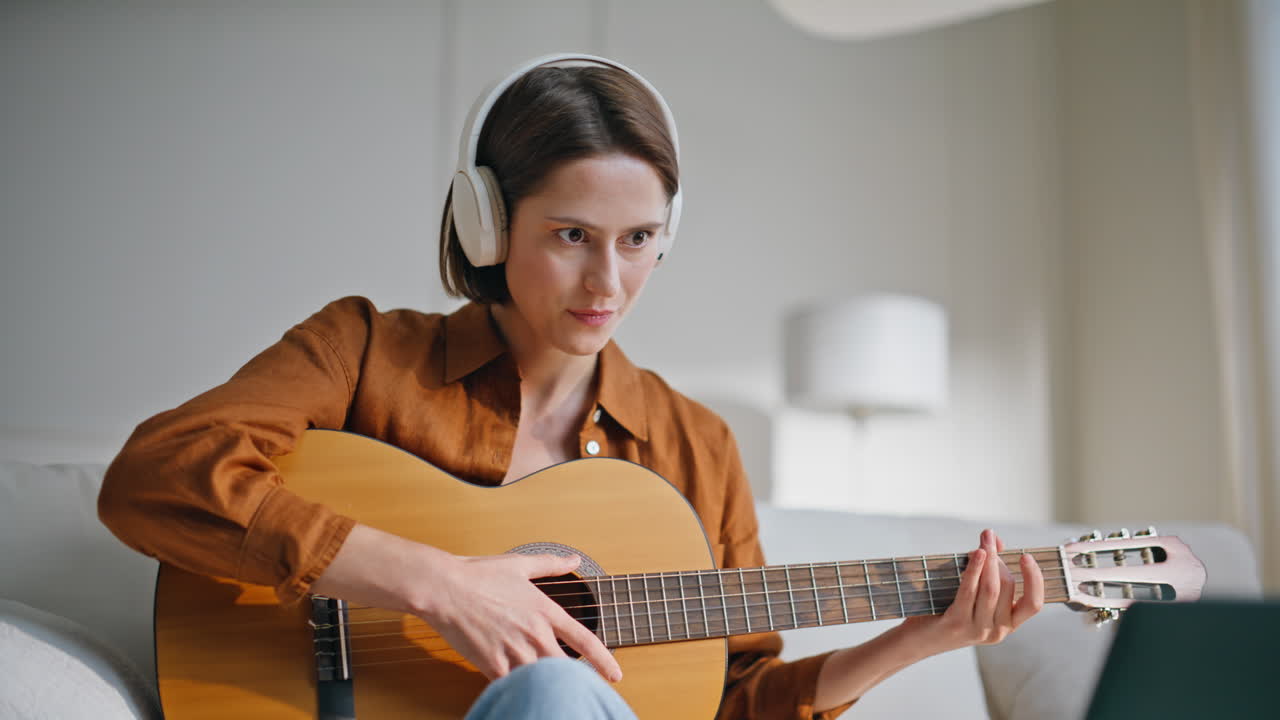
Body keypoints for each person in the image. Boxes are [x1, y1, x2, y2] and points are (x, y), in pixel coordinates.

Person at [98, 53, 1044, 720]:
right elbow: (155, 475)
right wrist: (439, 585)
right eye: (570, 236)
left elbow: (732, 705)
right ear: (486, 226)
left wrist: (920, 639)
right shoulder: (362, 353)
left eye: (637, 241)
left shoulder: (695, 444)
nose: (607, 284)